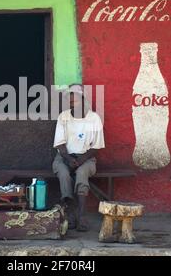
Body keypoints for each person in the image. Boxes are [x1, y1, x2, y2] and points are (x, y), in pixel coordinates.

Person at [52, 84, 105, 231]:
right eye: (69, 96)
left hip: (86, 158)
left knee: (82, 173)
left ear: (83, 98)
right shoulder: (64, 117)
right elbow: (60, 144)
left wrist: (81, 160)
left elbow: (96, 146)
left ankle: (81, 216)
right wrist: (69, 159)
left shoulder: (94, 118)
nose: (71, 98)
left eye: (74, 95)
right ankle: (70, 214)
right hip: (64, 157)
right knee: (63, 174)